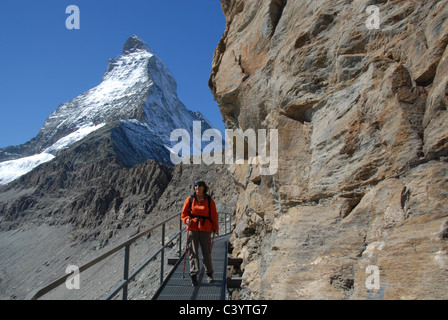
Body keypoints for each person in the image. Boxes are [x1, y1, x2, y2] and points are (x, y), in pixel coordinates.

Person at [181, 180, 219, 286]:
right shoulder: (190, 199)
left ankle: (209, 273)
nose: (197, 187)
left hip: (206, 228)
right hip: (193, 227)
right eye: (195, 186)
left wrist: (215, 227)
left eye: (199, 186)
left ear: (204, 188)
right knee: (193, 252)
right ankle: (193, 275)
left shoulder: (209, 200)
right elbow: (184, 214)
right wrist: (186, 220)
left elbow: (214, 215)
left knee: (206, 252)